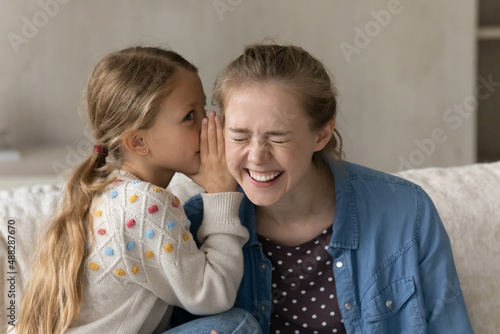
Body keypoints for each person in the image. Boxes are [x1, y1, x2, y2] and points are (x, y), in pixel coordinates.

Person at [181, 44, 474, 334]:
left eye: (278, 138)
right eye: (239, 136)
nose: (257, 156)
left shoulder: (408, 211)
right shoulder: (195, 223)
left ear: (321, 134)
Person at [14, 46, 261, 334]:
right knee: (237, 325)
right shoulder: (144, 205)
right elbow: (213, 294)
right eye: (189, 116)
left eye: (204, 108)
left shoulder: (107, 190)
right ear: (138, 142)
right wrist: (221, 196)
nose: (208, 122)